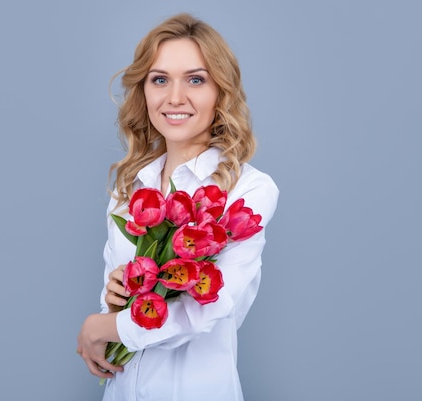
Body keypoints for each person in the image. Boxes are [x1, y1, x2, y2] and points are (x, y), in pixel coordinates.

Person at [77, 13, 279, 401]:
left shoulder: (249, 191)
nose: (174, 98)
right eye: (160, 79)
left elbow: (203, 312)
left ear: (221, 91)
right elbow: (113, 302)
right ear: (145, 91)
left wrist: (100, 328)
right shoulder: (129, 189)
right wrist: (115, 296)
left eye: (196, 79)